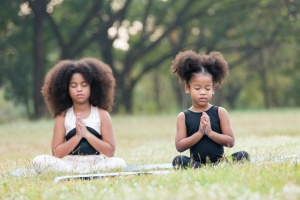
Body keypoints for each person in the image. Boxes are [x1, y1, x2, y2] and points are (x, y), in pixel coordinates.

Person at [33, 57, 126, 174]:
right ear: (66, 89)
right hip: (69, 165)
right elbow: (56, 153)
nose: (79, 89)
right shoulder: (62, 116)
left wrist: (87, 134)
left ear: (93, 87)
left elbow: (110, 152)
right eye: (73, 86)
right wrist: (77, 136)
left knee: (119, 163)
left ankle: (83, 173)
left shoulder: (102, 114)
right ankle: (80, 173)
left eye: (84, 85)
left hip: (96, 164)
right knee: (39, 161)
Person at [171, 50, 250, 169]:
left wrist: (210, 132)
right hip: (196, 163)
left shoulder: (220, 112)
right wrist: (200, 133)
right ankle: (201, 169)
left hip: (220, 163)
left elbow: (230, 142)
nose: (203, 92)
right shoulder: (183, 116)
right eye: (197, 88)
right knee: (178, 160)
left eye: (207, 88)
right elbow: (180, 146)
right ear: (188, 89)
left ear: (213, 89)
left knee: (243, 155)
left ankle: (219, 167)